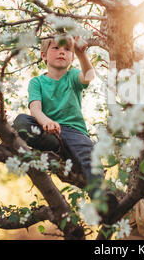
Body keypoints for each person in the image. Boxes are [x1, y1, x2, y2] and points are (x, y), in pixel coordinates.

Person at [13, 33, 103, 200]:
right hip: (48, 130)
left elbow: (89, 76)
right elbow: (35, 109)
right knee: (21, 122)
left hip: (75, 133)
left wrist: (82, 54)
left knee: (91, 160)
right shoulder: (37, 82)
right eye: (56, 48)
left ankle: (101, 199)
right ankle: (55, 146)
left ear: (71, 57)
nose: (62, 52)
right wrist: (47, 122)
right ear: (44, 55)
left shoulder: (73, 77)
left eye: (67, 49)